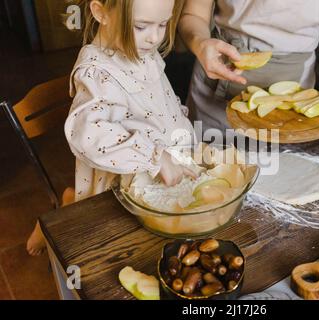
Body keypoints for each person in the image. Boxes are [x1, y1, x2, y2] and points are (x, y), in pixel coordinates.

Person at [27, 0, 196, 256]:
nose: (155, 38)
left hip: (157, 173)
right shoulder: (97, 73)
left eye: (163, 24)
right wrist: (155, 156)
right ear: (100, 12)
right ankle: (56, 218)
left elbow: (159, 104)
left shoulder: (140, 50)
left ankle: (70, 199)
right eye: (141, 26)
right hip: (119, 184)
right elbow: (88, 134)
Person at [179, 0, 319, 132]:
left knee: (280, 180)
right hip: (216, 83)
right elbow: (194, 13)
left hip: (293, 101)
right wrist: (201, 43)